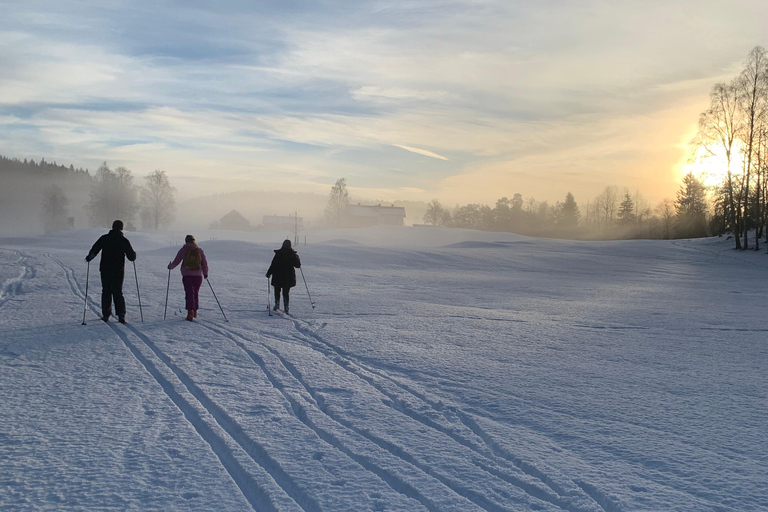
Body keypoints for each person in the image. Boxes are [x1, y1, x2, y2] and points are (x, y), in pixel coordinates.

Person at [85, 220, 137, 323]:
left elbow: (95, 249)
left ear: (112, 227)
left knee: (106, 291)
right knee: (118, 291)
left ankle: (106, 314)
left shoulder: (104, 238)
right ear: (121, 228)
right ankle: (121, 314)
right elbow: (131, 257)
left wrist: (90, 257)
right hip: (118, 270)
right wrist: (134, 255)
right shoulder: (124, 240)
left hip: (105, 269)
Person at [168, 235, 208, 321]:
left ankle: (190, 312)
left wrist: (170, 267)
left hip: (187, 275)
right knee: (195, 293)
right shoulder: (199, 250)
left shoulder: (184, 250)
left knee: (189, 293)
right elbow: (204, 262)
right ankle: (195, 311)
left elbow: (177, 260)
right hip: (198, 276)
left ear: (186, 241)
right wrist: (205, 273)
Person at [266, 239, 301, 314]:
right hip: (288, 276)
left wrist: (269, 273)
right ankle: (286, 307)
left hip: (278, 275)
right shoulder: (292, 254)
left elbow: (273, 265)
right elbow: (298, 265)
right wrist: (297, 258)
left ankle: (277, 304)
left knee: (277, 291)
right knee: (286, 292)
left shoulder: (279, 253)